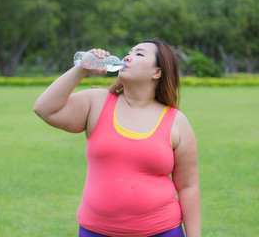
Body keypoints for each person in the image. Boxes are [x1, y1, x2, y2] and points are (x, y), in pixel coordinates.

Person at [34, 38, 201, 237]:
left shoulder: (176, 122)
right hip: (96, 231)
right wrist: (82, 69)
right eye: (128, 53)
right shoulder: (97, 102)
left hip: (162, 230)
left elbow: (188, 187)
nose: (128, 57)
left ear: (157, 72)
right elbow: (44, 109)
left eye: (139, 54)